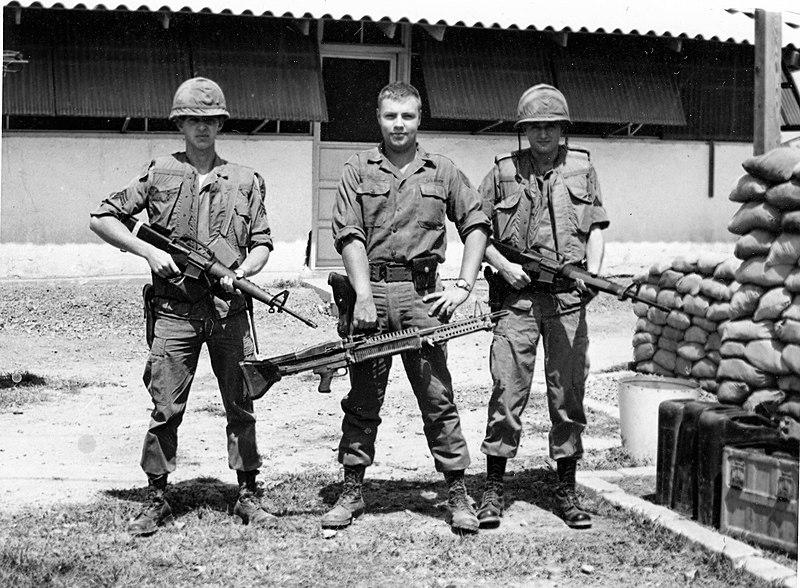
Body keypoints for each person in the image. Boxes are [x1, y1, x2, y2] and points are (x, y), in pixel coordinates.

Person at [89, 77, 275, 535]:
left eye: (210, 120)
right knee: (165, 405)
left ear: (221, 124)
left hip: (227, 311)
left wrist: (244, 272)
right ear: (180, 123)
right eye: (193, 120)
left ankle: (248, 492)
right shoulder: (159, 173)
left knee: (241, 401)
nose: (202, 129)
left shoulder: (246, 180)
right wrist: (149, 252)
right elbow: (102, 218)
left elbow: (263, 242)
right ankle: (156, 495)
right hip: (174, 313)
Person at [328, 81, 490, 533]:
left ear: (420, 119)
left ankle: (457, 491)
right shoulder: (358, 169)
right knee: (363, 397)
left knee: (437, 397)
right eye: (390, 117)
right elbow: (349, 235)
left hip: (423, 298)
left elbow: (476, 223)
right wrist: (361, 295)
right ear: (378, 118)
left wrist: (463, 283)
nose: (399, 125)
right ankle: (352, 489)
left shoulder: (442, 171)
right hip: (372, 295)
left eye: (408, 116)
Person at [476, 84, 609, 530]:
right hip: (517, 299)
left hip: (568, 297)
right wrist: (502, 266)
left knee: (568, 393)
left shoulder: (582, 169)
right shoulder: (502, 172)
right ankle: (494, 487)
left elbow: (596, 228)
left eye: (551, 126)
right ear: (523, 130)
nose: (543, 134)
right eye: (534, 126)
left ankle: (566, 487)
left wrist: (592, 276)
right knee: (507, 390)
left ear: (563, 129)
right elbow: (477, 232)